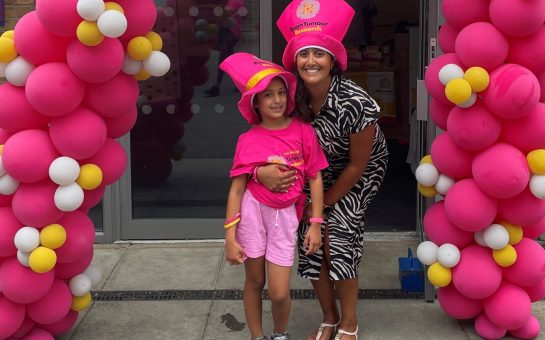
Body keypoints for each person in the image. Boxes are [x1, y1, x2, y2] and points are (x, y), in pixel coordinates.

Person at [257, 1, 389, 339]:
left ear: (332, 61)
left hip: (357, 174)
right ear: (295, 61)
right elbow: (272, 134)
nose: (311, 61)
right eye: (304, 54)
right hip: (313, 171)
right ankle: (329, 317)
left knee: (338, 235)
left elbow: (359, 164)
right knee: (308, 239)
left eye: (319, 54)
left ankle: (349, 322)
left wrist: (323, 204)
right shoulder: (291, 96)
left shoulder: (356, 102)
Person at [220, 52, 329, 340]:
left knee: (280, 292)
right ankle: (257, 337)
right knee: (254, 281)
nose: (277, 100)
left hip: (285, 217)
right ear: (255, 102)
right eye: (268, 95)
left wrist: (316, 223)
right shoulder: (248, 139)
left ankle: (280, 334)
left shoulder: (303, 132)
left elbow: (315, 176)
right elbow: (237, 189)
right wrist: (230, 238)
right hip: (252, 214)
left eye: (281, 92)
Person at [204, 0, 247, 97]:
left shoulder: (235, 1)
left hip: (232, 32)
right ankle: (243, 84)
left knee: (223, 57)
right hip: (232, 31)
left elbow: (227, 13)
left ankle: (216, 87)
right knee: (232, 60)